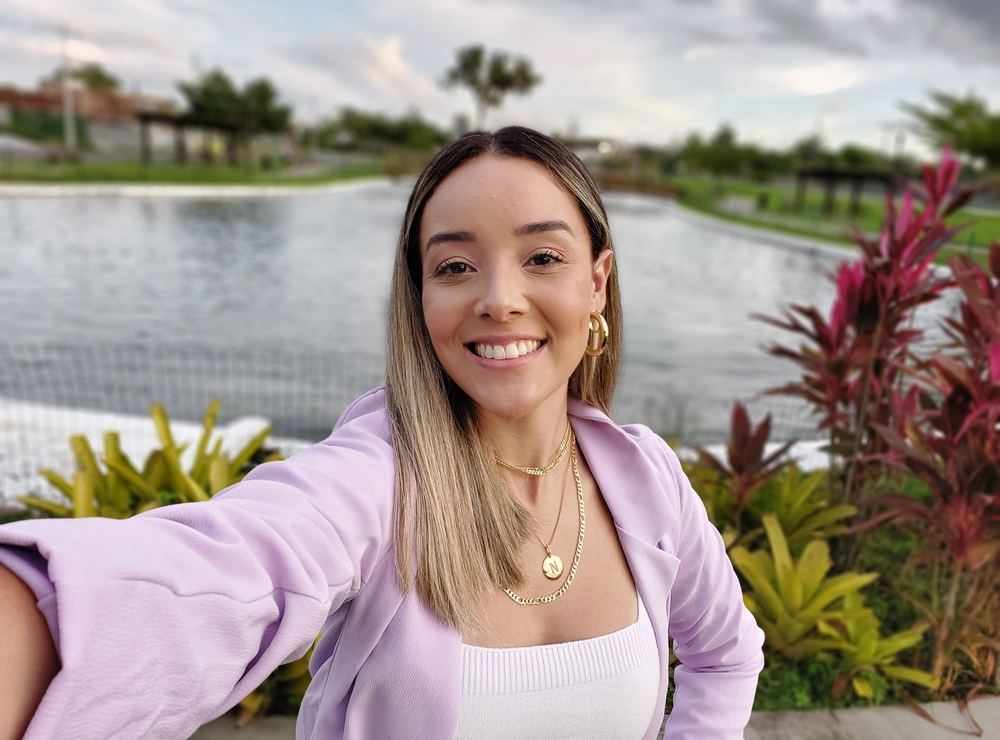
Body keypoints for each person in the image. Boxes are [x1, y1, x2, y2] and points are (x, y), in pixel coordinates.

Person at [0, 126, 763, 739]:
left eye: (542, 257)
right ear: (420, 295)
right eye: (455, 266)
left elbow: (727, 655)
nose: (499, 299)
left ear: (595, 281)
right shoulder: (376, 483)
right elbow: (232, 568)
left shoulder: (648, 480)